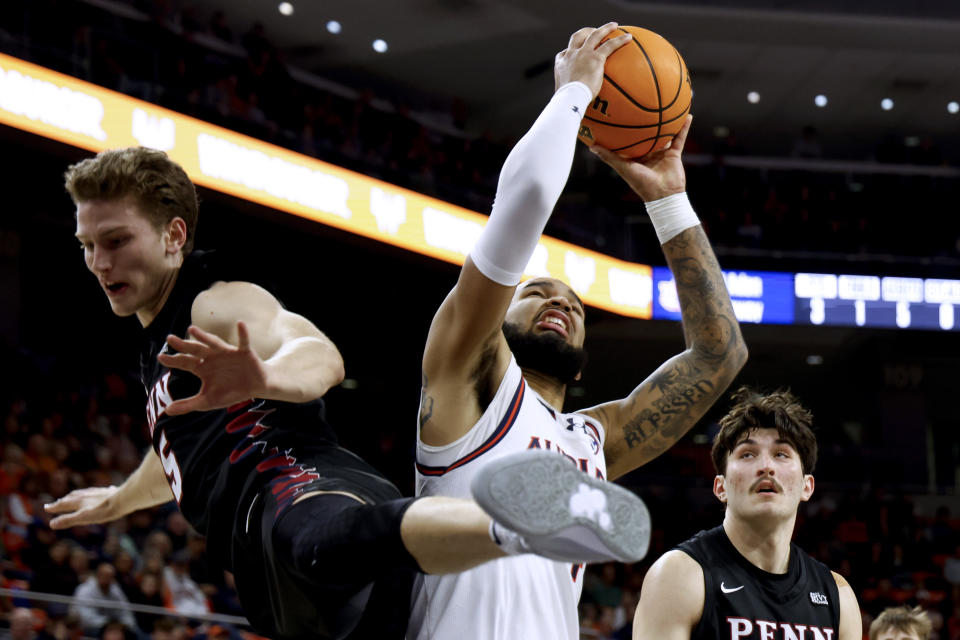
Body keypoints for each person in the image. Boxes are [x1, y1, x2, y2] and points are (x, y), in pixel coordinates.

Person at [45, 145, 652, 640]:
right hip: (286, 573)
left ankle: (517, 525)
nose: (99, 262)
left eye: (117, 241)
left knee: (314, 544)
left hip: (300, 486)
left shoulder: (215, 300)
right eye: (87, 246)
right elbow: (177, 445)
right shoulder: (155, 350)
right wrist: (120, 500)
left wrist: (265, 377)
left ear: (175, 236)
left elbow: (318, 354)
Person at [411, 21, 748, 640]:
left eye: (575, 305)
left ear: (584, 360)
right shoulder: (464, 381)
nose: (558, 301)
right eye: (535, 292)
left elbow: (720, 354)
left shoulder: (593, 440)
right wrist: (571, 95)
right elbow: (529, 194)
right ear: (496, 324)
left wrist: (670, 200)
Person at [630, 387, 862, 640]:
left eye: (781, 454)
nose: (766, 467)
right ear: (721, 487)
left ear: (807, 486)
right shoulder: (679, 575)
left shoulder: (837, 595)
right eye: (747, 454)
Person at [70, 562, 137, 634]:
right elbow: (86, 618)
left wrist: (126, 624)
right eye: (104, 575)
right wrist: (109, 624)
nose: (107, 579)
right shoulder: (84, 590)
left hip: (112, 627)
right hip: (87, 628)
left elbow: (125, 611)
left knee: (133, 633)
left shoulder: (115, 590)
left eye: (110, 576)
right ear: (97, 575)